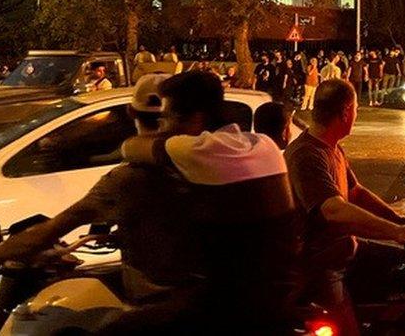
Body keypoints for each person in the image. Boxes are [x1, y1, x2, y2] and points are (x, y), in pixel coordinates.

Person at [0, 75, 207, 333]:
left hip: (164, 305)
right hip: (200, 295)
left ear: (131, 112)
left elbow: (46, 232)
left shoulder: (128, 178)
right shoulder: (207, 166)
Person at [121, 72, 301, 332]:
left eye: (167, 116)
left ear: (195, 119)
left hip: (232, 309)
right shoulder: (264, 145)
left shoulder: (196, 150)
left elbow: (131, 147)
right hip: (282, 296)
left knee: (119, 327)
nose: (163, 126)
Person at [284, 80, 405, 336]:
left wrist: (400, 220)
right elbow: (333, 209)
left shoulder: (332, 147)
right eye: (355, 109)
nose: (356, 115)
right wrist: (395, 232)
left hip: (347, 249)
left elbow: (356, 192)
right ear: (345, 112)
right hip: (322, 262)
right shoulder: (306, 154)